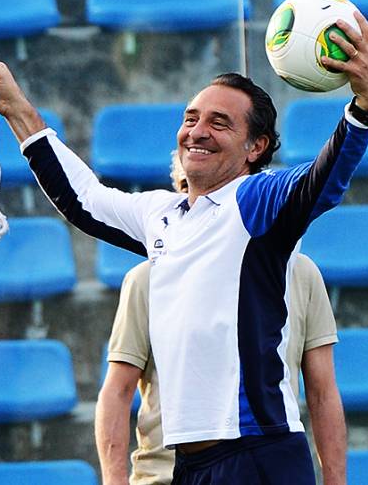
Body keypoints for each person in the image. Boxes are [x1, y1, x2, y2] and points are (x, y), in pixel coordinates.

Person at [0, 10, 368, 484]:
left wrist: (363, 110)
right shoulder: (161, 214)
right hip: (187, 463)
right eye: (191, 118)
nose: (198, 131)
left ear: (256, 147)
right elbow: (82, 199)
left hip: (259, 453)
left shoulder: (254, 200)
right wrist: (17, 109)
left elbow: (322, 181)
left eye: (219, 122)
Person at [97, 154, 346, 485]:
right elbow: (118, 390)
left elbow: (322, 391)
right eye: (189, 195)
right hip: (164, 475)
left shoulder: (302, 274)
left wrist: (335, 479)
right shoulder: (147, 279)